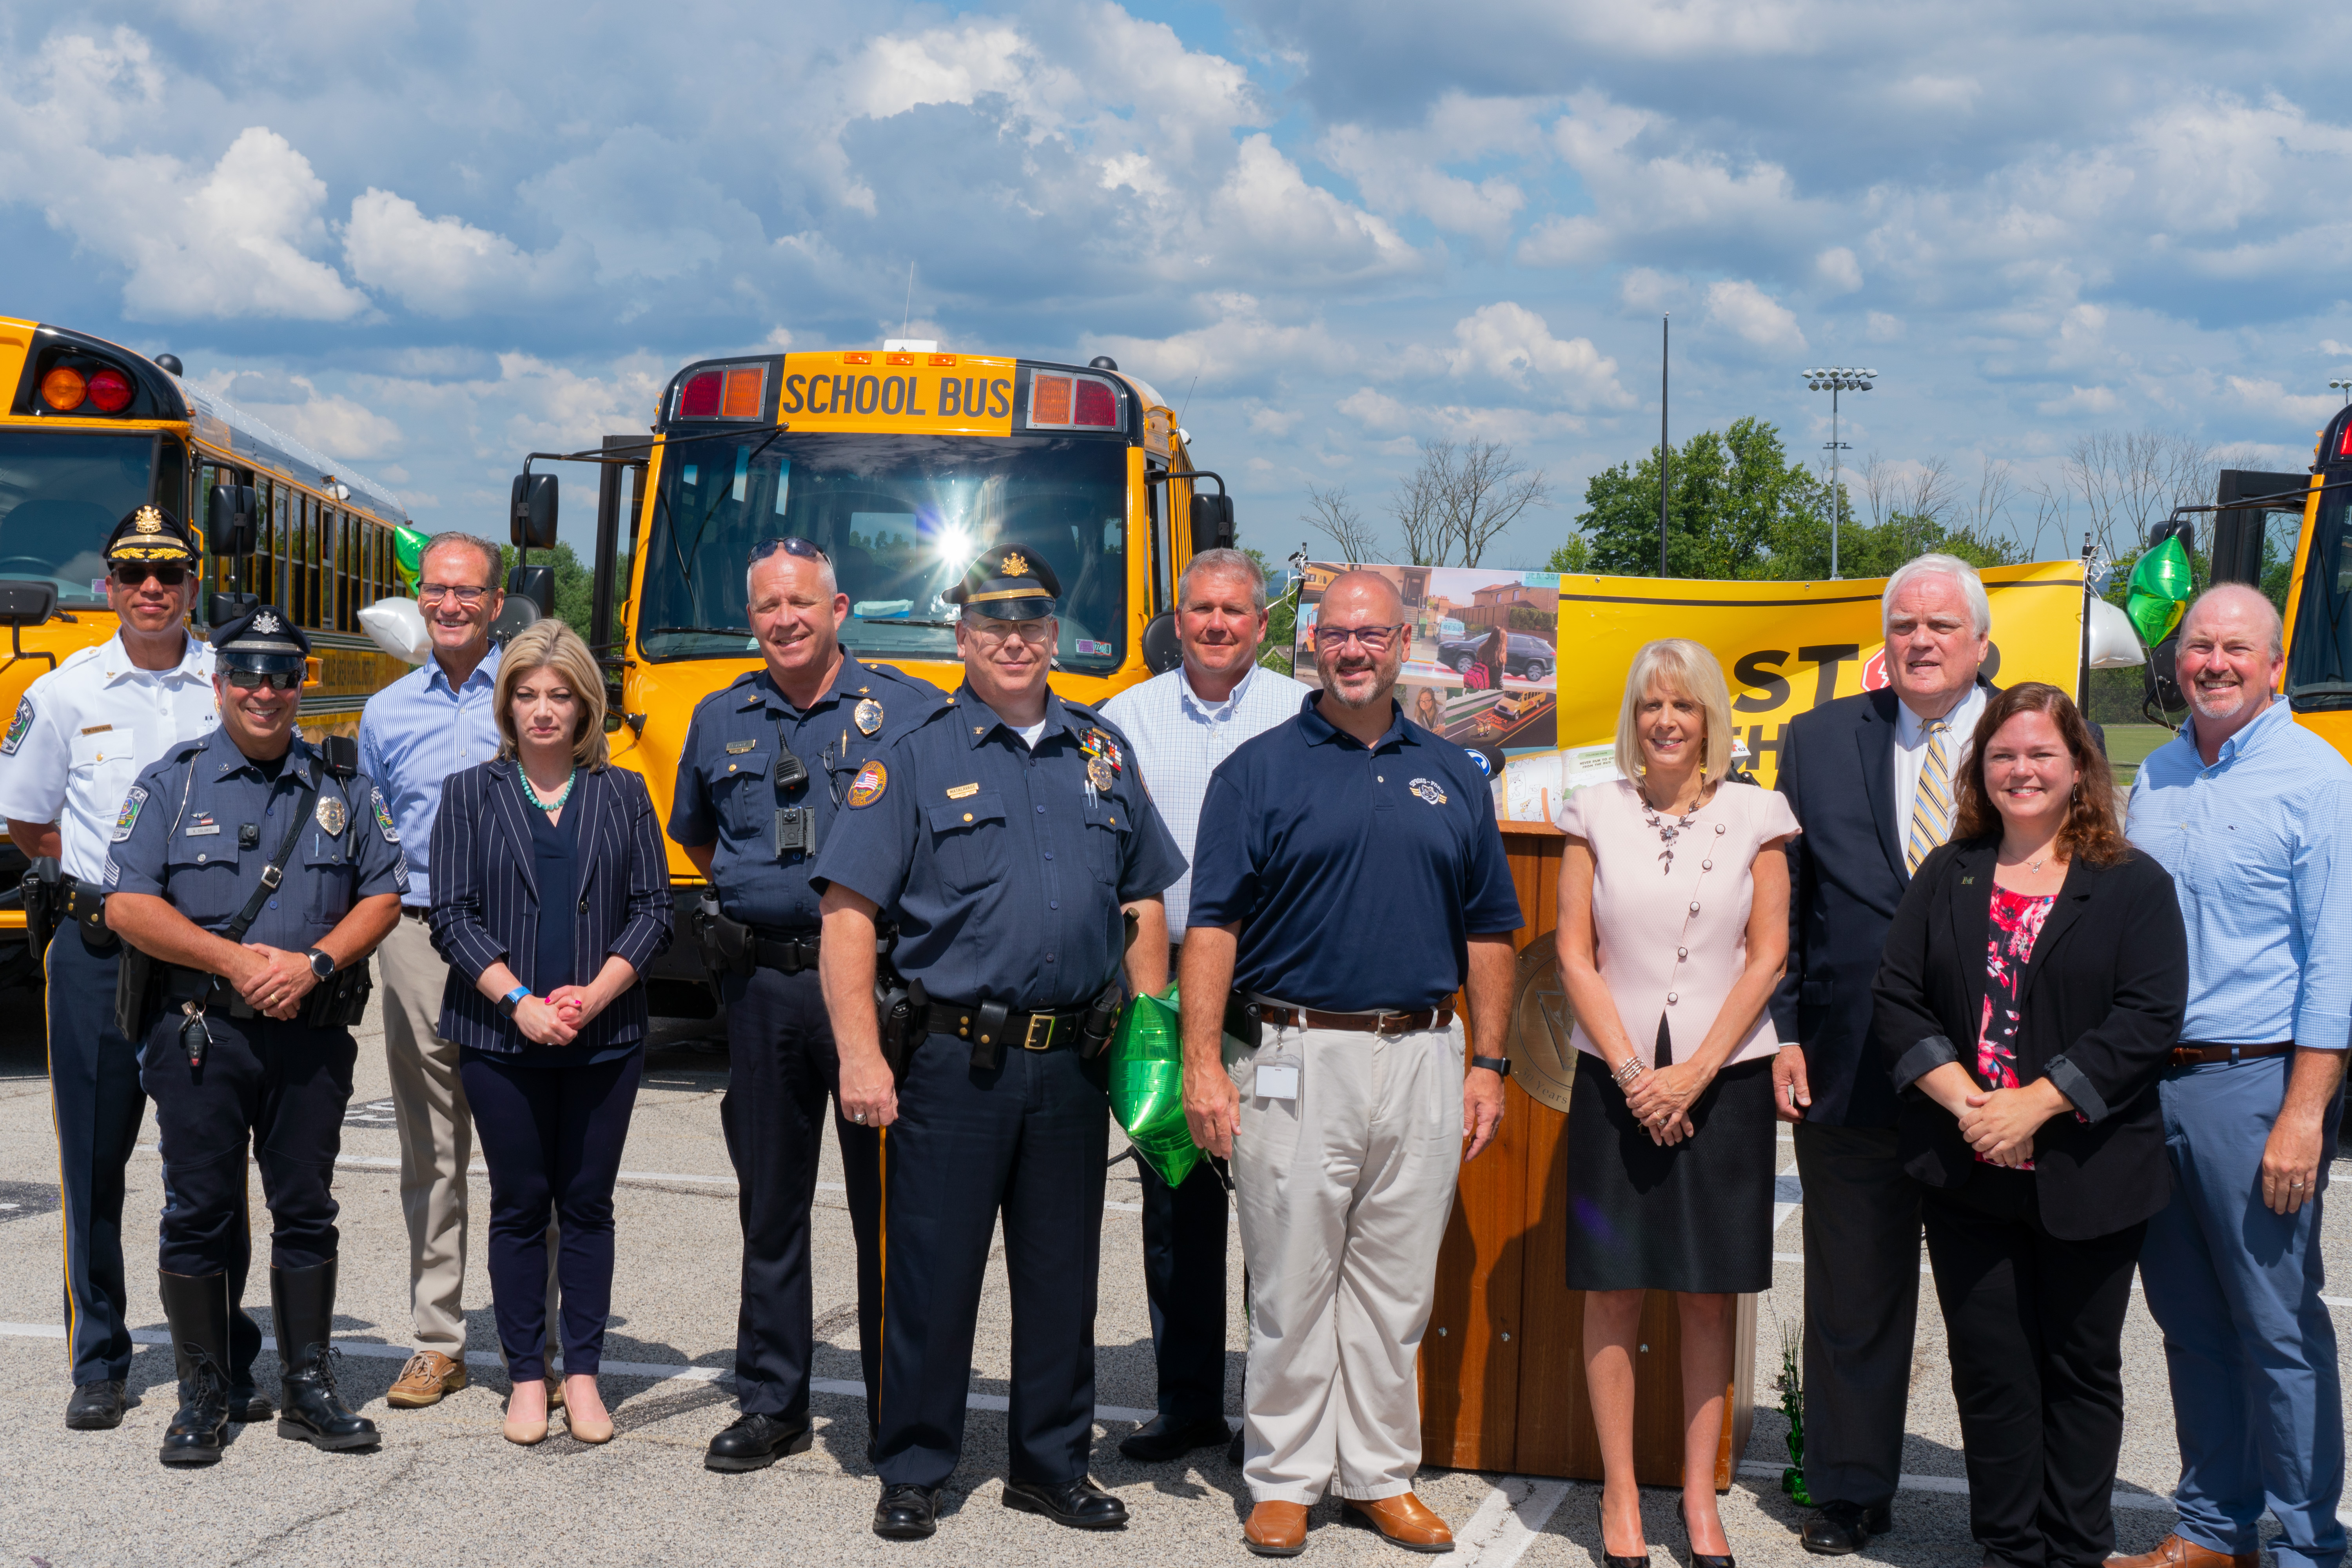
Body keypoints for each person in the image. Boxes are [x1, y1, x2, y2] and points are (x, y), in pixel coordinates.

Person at [810, 545, 1183, 1541]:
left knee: (1062, 1272)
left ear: (1055, 636)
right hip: (952, 1058)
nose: (1013, 641)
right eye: (991, 624)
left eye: (1031, 624)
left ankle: (1050, 1464)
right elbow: (848, 915)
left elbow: (1143, 895)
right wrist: (860, 1055)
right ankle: (916, 1463)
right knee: (931, 1269)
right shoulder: (917, 755)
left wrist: (1149, 1031)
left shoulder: (1102, 751)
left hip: (1072, 1060)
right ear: (962, 636)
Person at [1181, 569, 1520, 1558]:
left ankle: (1378, 1474)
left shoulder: (1455, 771)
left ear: (1404, 639)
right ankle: (1284, 1477)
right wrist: (1206, 1063)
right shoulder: (1257, 770)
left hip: (1422, 1055)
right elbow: (1213, 926)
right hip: (1292, 1053)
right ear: (1311, 644)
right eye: (1337, 634)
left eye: (1373, 635)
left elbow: (1492, 930)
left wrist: (1489, 1061)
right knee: (1290, 1280)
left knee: (1394, 1286)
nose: (1355, 650)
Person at [1873, 683, 2186, 1568]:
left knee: (2080, 1370)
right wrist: (1972, 1105)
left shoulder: (2132, 884)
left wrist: (2036, 1102)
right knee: (1992, 1368)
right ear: (1982, 768)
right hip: (1970, 1167)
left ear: (2080, 767)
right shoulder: (1952, 869)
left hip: (2088, 1168)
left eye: (2042, 753)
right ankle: (2011, 1545)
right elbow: (1897, 994)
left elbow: (2148, 1015)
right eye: (2004, 754)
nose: (2022, 770)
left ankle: (2076, 1545)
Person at [103, 606, 405, 1465]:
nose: (264, 691)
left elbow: (383, 892)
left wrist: (313, 961)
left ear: (302, 684)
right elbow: (128, 902)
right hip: (200, 1031)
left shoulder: (343, 781)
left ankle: (309, 1385)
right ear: (220, 682)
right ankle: (205, 1392)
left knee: (306, 1209)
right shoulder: (177, 780)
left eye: (281, 675)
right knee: (197, 1210)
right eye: (246, 674)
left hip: (308, 1032)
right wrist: (235, 962)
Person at [668, 536, 941, 1470]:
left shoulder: (906, 712)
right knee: (770, 1202)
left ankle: (893, 1406)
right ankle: (771, 1399)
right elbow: (704, 844)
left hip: (876, 991)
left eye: (800, 603)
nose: (783, 620)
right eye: (766, 607)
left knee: (889, 1207)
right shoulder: (720, 717)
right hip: (765, 988)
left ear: (839, 608)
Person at [0, 506, 263, 1433]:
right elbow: (29, 822)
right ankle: (100, 1359)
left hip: (201, 955)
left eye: (170, 571)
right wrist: (117, 891)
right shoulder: (67, 689)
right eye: (132, 570)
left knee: (213, 1162)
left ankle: (223, 1351)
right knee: (94, 1162)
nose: (152, 587)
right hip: (98, 949)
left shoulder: (226, 682)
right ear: (109, 584)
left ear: (195, 584)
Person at [2115, 584, 2350, 1568]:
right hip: (2151, 1085)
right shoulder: (2157, 776)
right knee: (2188, 1320)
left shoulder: (2318, 777)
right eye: (2198, 645)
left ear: (2274, 664)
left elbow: (2337, 960)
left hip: (2256, 1087)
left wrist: (2305, 1113)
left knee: (2277, 1327)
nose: (2212, 661)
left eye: (2235, 648)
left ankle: (2310, 1544)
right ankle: (2217, 1525)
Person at [1552, 638, 1797, 1567]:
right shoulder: (1593, 810)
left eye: (1684, 706)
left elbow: (1769, 954)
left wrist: (1692, 1073)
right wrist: (1630, 1072)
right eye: (1652, 704)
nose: (1666, 721)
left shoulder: (1759, 811)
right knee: (1612, 1291)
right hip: (1616, 1081)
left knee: (1705, 1296)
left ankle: (1699, 1498)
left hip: (1724, 1078)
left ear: (1710, 720)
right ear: (1634, 715)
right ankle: (1620, 1495)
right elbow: (1574, 953)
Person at [1771, 552, 1994, 1554]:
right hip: (1848, 1065)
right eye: (1905, 624)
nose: (1921, 641)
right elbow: (1787, 910)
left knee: (1994, 1301)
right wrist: (1782, 1031)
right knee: (1852, 1293)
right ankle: (1851, 1488)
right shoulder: (1818, 742)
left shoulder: (2031, 737)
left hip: (1994, 1082)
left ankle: (2011, 1502)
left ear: (1981, 642)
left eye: (1942, 626)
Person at [427, 618, 675, 1446]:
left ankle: (584, 1375)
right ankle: (526, 1376)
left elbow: (654, 910)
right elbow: (451, 917)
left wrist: (597, 995)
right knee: (521, 1204)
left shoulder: (625, 792)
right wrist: (520, 999)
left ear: (584, 705)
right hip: (502, 1036)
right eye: (527, 694)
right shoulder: (469, 792)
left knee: (590, 1203)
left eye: (559, 695)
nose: (542, 709)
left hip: (605, 1037)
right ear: (507, 705)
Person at [1100, 548, 1313, 1468]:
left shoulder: (1304, 716)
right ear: (1176, 620)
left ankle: (1273, 1408)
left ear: (1263, 626)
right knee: (1178, 1200)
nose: (1219, 624)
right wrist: (1151, 1011)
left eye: (1236, 611)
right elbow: (1114, 863)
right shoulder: (1124, 718)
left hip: (1276, 979)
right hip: (1163, 972)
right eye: (1202, 610)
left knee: (1283, 1201)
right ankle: (1188, 1401)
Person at [358, 532, 560, 1412]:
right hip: (415, 934)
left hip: (515, 939)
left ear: (495, 597)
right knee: (430, 1149)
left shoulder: (527, 699)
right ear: (420, 594)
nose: (450, 606)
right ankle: (439, 1338)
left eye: (467, 592)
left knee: (530, 1148)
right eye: (436, 590)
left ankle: (541, 1341)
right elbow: (371, 829)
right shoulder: (386, 713)